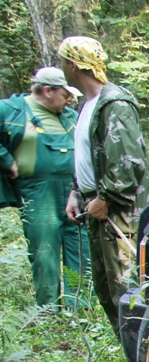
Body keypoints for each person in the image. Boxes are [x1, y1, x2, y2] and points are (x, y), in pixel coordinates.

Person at [59, 36, 149, 324]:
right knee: (107, 290)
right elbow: (88, 158)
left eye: (62, 62)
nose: (61, 67)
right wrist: (76, 193)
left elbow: (129, 164)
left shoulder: (115, 103)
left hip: (119, 215)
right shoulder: (88, 106)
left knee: (129, 293)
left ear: (73, 65)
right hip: (96, 207)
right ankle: (128, 349)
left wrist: (106, 199)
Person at [0, 67, 89, 308]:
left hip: (74, 189)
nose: (69, 100)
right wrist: (7, 160)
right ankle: (48, 310)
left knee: (80, 247)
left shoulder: (69, 116)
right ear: (48, 91)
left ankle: (80, 309)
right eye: (65, 94)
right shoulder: (10, 110)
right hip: (37, 190)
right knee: (45, 251)